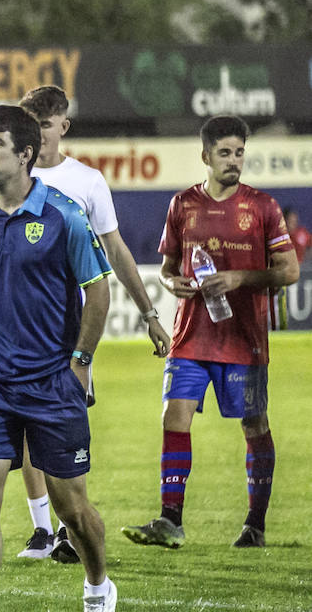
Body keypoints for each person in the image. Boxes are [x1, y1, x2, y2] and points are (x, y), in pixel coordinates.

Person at [0, 86, 172, 563]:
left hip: (66, 332)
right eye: (30, 124)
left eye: (45, 124)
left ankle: (66, 527)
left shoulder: (85, 182)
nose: (38, 135)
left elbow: (116, 252)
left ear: (63, 125)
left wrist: (148, 314)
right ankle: (44, 530)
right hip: (7, 340)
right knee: (16, 435)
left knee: (60, 434)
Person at [0, 105, 116, 612]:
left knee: (72, 508)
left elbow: (98, 291)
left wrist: (80, 361)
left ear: (26, 154)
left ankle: (97, 585)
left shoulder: (64, 215)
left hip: (51, 381)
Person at [121, 116, 299, 550]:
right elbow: (166, 268)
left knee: (254, 424)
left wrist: (240, 279)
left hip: (244, 340)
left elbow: (290, 271)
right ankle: (170, 520)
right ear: (205, 156)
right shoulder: (183, 205)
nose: (234, 161)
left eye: (239, 152)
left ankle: (255, 525)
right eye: (225, 153)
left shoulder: (263, 208)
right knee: (174, 416)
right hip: (191, 337)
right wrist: (170, 283)